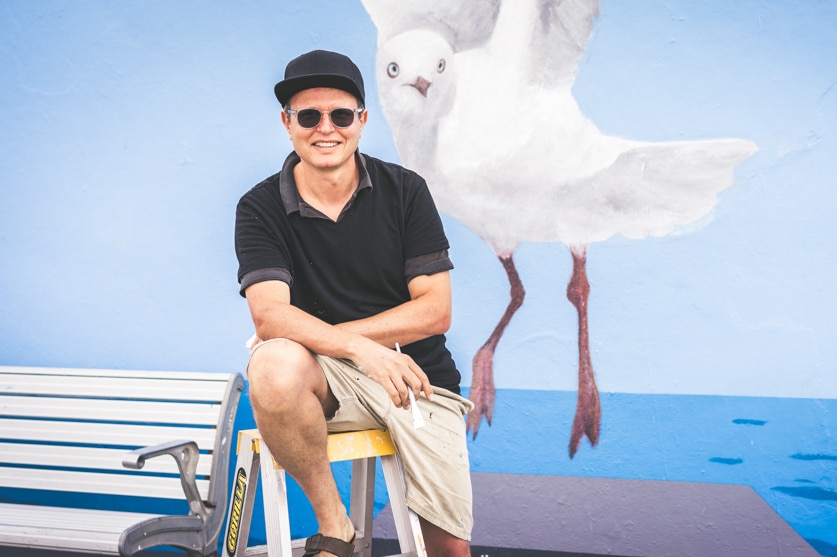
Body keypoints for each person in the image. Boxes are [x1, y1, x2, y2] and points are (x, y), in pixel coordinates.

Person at [235, 49, 474, 557]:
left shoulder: (406, 190)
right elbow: (270, 315)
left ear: (361, 121)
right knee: (273, 362)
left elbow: (435, 310)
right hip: (322, 376)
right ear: (288, 123)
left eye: (341, 114)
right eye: (309, 116)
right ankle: (335, 526)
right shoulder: (259, 206)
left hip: (416, 375)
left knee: (449, 552)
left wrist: (345, 340)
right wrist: (358, 349)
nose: (326, 128)